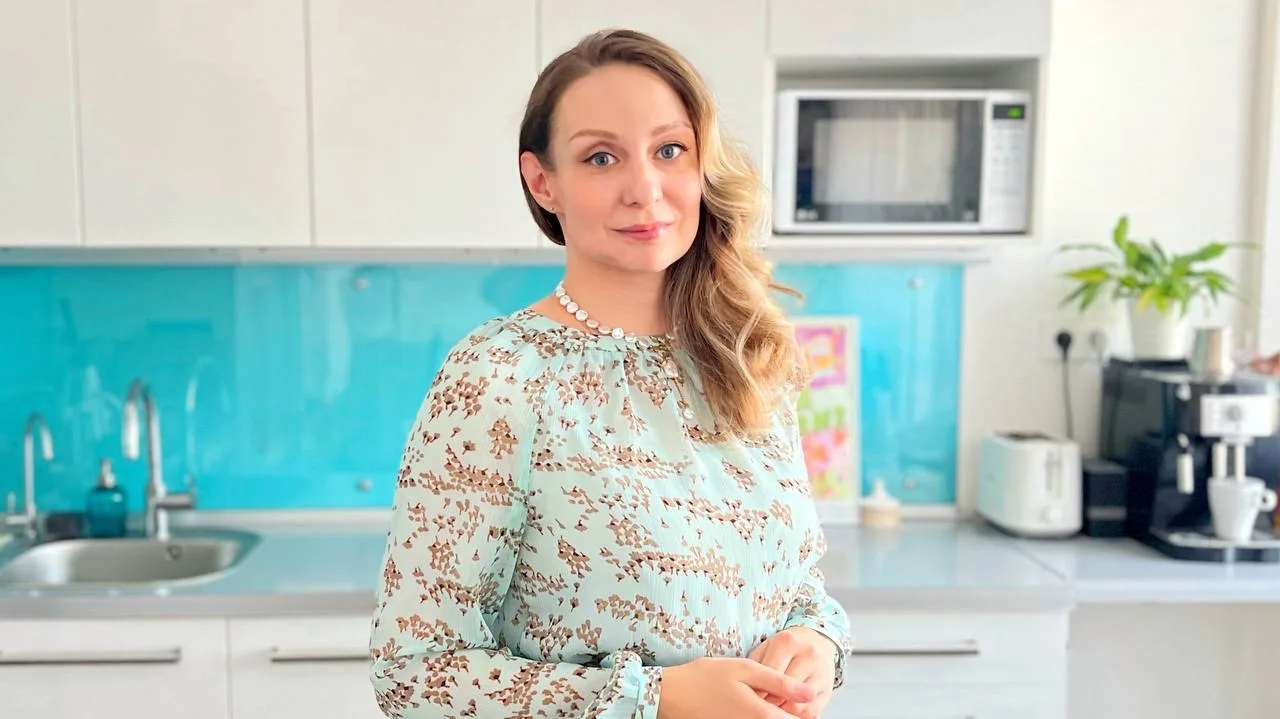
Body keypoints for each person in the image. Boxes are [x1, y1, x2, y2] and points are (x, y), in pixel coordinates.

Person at [368, 27, 851, 719]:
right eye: (601, 157)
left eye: (669, 150)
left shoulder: (749, 355)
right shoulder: (498, 377)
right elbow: (414, 672)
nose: (645, 190)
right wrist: (655, 697)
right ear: (544, 182)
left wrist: (817, 640)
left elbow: (797, 584)